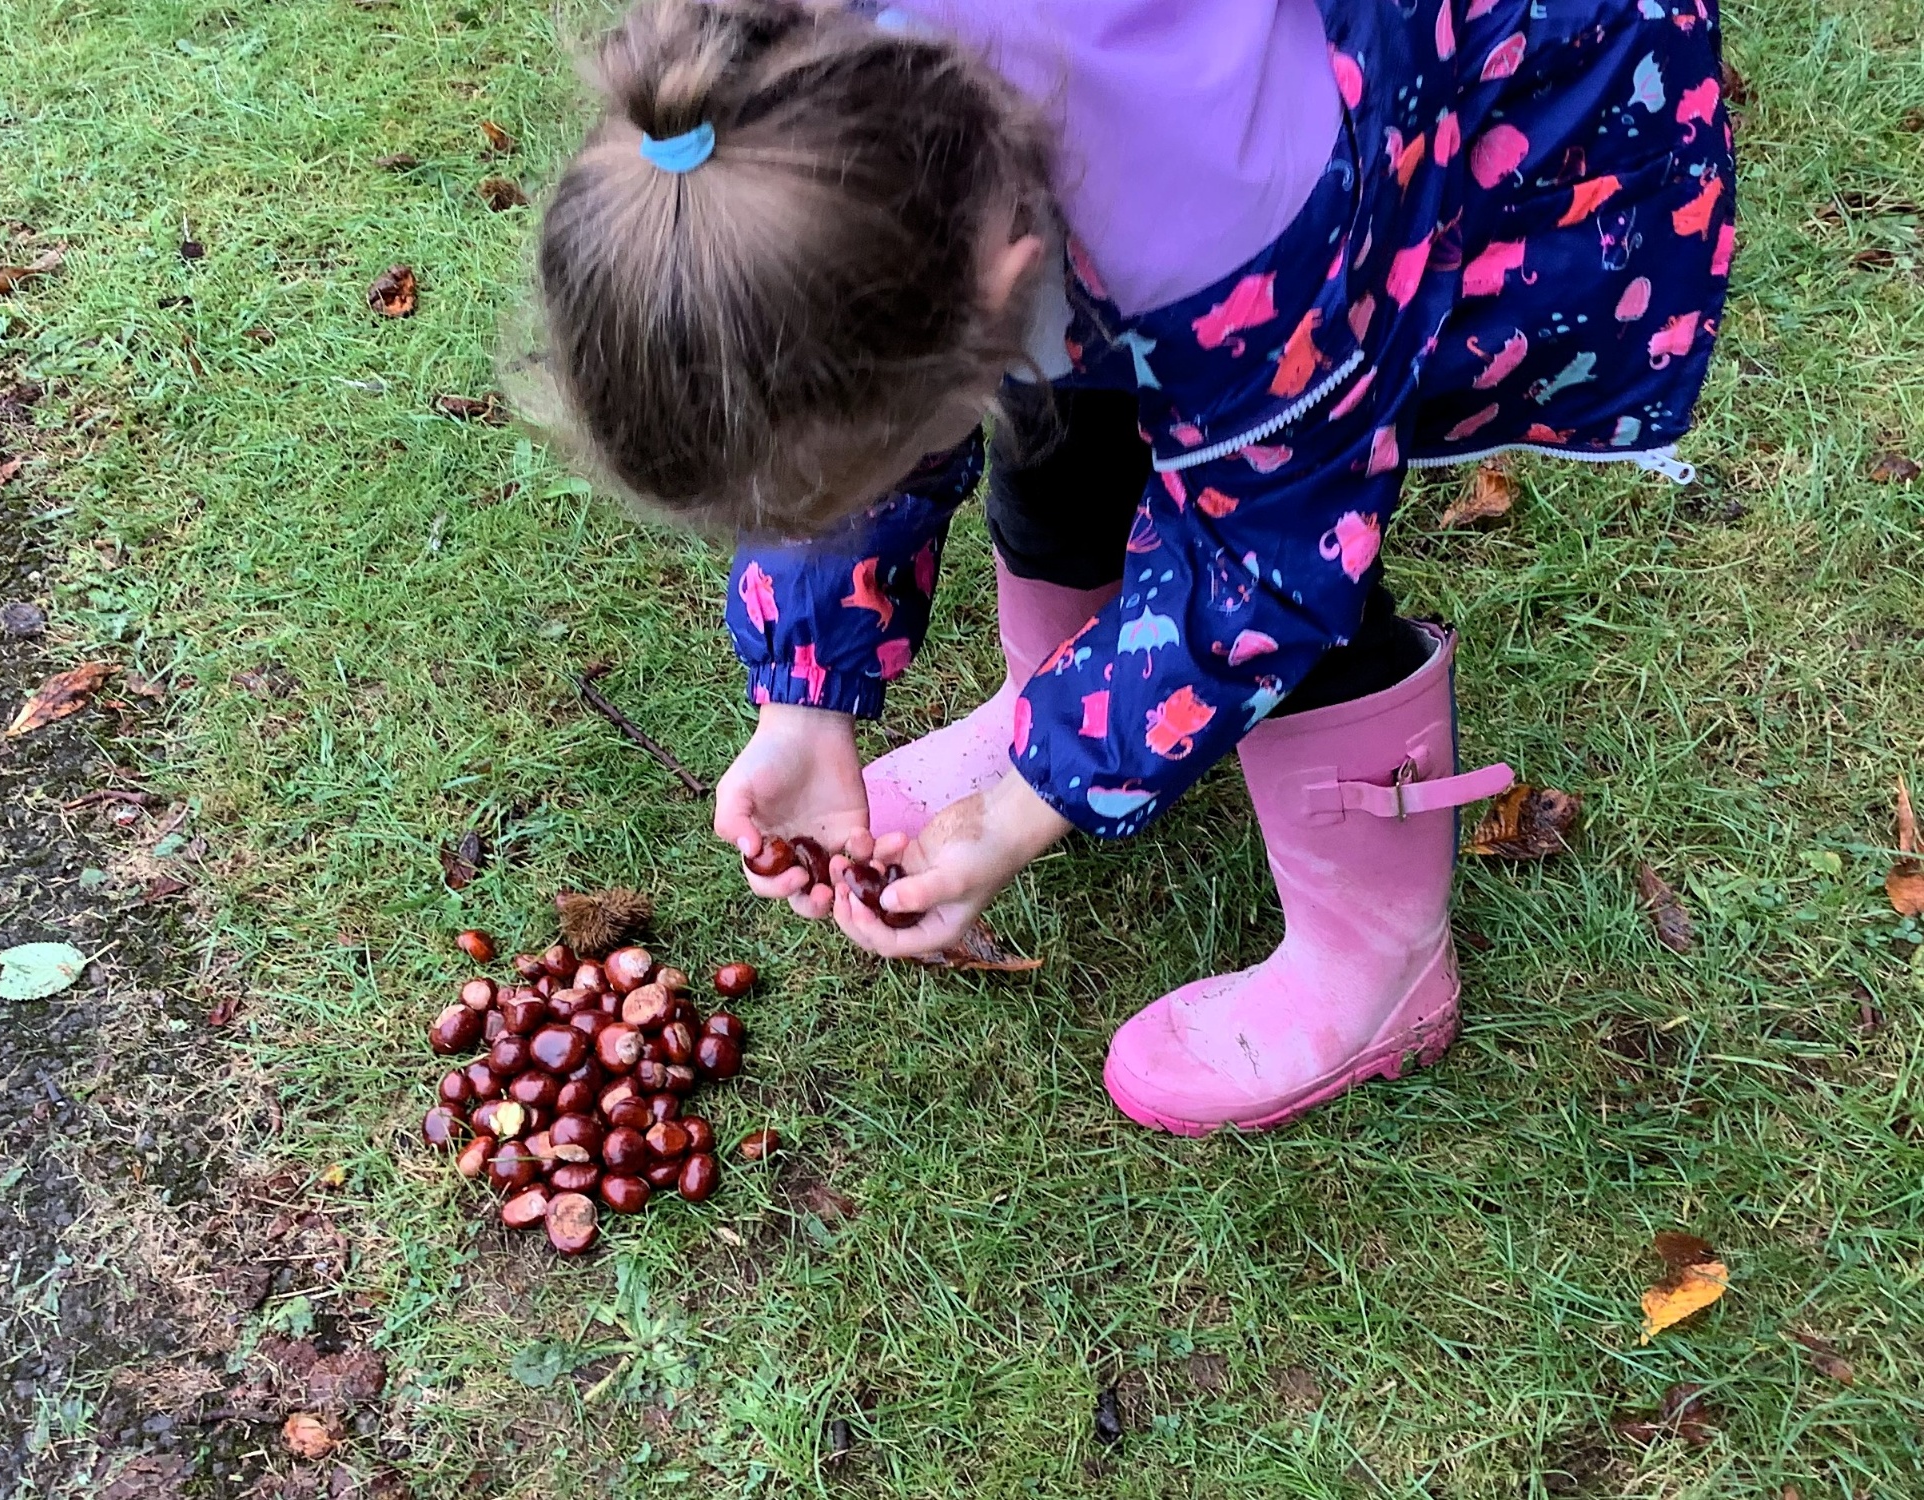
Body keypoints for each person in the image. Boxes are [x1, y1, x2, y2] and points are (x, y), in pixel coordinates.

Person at [533, 0, 1735, 1133]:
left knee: (1282, 536)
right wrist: (803, 699)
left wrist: (1032, 803)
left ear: (994, 281)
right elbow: (835, 387)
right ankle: (1054, 692)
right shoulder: (810, 122)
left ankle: (1377, 962)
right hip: (1100, 176)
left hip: (1456, 101)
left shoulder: (1231, 214)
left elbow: (1265, 570)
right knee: (1055, 409)